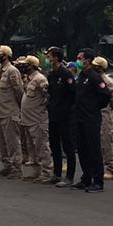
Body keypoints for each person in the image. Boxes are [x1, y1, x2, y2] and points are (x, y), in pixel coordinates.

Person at [72, 49, 110, 191]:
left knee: (93, 149)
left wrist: (94, 107)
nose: (78, 60)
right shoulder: (81, 76)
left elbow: (105, 95)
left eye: (79, 58)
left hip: (91, 118)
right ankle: (86, 178)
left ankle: (98, 181)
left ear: (87, 60)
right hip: (80, 117)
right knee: (82, 149)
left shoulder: (94, 76)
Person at [44, 47, 77, 184]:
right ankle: (56, 173)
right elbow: (50, 93)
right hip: (53, 114)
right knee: (54, 145)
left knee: (68, 146)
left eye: (50, 56)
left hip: (66, 116)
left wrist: (68, 110)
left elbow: (73, 94)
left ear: (57, 57)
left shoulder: (66, 74)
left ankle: (69, 176)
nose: (48, 59)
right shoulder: (51, 74)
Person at [17, 55, 52, 182]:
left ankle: (46, 172)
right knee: (31, 147)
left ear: (32, 66)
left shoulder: (40, 79)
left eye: (26, 64)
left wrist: (42, 109)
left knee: (41, 147)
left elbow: (48, 96)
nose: (22, 66)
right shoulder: (28, 79)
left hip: (37, 119)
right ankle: (36, 171)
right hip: (27, 119)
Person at [0, 45, 24, 179]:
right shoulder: (0, 71)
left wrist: (17, 109)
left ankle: (16, 168)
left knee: (12, 142)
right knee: (1, 142)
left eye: (0, 54)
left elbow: (19, 91)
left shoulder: (12, 71)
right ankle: (7, 166)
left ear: (6, 56)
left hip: (9, 111)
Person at [96, 57, 113, 182]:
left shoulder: (108, 81)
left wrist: (111, 110)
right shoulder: (93, 79)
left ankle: (110, 168)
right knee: (96, 142)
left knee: (107, 141)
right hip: (95, 113)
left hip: (105, 113)